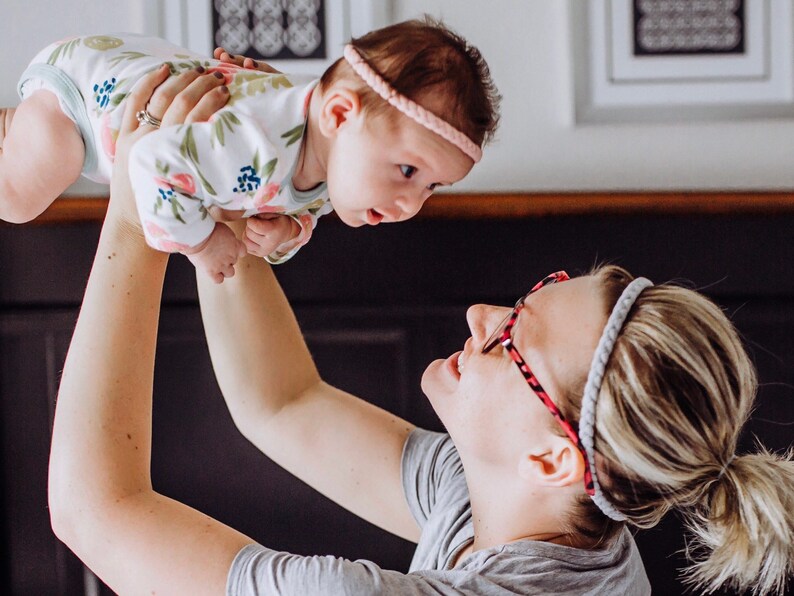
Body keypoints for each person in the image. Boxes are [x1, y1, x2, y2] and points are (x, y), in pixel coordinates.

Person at [46, 65, 794, 595]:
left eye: (512, 340)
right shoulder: (525, 509)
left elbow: (95, 513)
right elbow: (283, 403)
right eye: (530, 297)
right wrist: (219, 188)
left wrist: (137, 187)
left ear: (554, 459)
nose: (480, 317)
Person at [0, 18, 500, 283]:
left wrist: (286, 232)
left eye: (432, 186)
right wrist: (200, 242)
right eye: (408, 170)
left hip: (136, 69)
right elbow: (150, 164)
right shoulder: (254, 140)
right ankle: (18, 127)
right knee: (21, 197)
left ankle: (13, 128)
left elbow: (304, 205)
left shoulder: (336, 156)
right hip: (86, 95)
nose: (412, 204)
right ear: (341, 114)